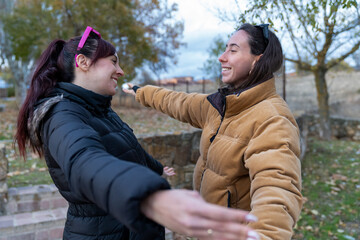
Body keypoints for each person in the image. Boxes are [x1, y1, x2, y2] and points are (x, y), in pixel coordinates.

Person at [15, 26, 260, 240]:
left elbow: (126, 148)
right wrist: (150, 198)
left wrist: (155, 168)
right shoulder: (61, 116)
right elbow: (85, 162)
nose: (120, 71)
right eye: (113, 61)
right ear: (83, 62)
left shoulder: (99, 108)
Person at [124, 23, 303, 240]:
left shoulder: (273, 118)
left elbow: (277, 190)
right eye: (225, 48)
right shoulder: (220, 105)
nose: (222, 57)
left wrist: (264, 235)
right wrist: (142, 92)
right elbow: (178, 102)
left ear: (258, 59)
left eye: (233, 50)